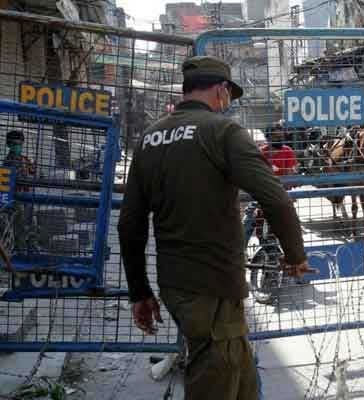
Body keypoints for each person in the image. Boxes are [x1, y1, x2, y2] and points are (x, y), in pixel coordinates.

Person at [118, 56, 310, 400]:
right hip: (213, 287)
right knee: (218, 375)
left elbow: (130, 223)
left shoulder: (149, 139)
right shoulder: (222, 132)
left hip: (176, 285)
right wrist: (295, 255)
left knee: (240, 373)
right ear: (221, 91)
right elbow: (276, 198)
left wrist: (139, 292)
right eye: (229, 96)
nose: (228, 103)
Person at [3, 130, 38, 251]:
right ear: (9, 145)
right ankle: (21, 249)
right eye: (14, 144)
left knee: (31, 222)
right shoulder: (8, 162)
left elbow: (33, 173)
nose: (17, 146)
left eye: (19, 144)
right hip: (17, 197)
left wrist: (33, 169)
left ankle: (31, 247)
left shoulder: (25, 159)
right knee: (20, 225)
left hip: (27, 196)